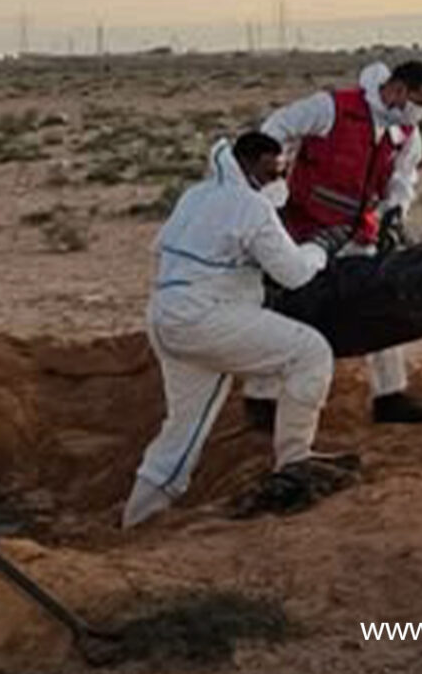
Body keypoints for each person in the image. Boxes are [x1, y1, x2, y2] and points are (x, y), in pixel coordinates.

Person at [122, 132, 347, 530]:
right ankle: (295, 462)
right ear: (253, 162)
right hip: (206, 318)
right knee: (310, 353)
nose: (279, 177)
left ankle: (135, 522)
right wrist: (320, 248)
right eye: (273, 169)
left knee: (183, 431)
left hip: (166, 314)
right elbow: (294, 274)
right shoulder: (252, 206)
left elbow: (179, 250)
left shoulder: (196, 195)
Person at [249, 59, 422, 425]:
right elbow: (277, 126)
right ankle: (262, 397)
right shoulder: (331, 108)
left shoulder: (406, 133)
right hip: (304, 228)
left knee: (379, 300)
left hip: (358, 232)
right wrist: (272, 184)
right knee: (285, 305)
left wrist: (396, 211)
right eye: (419, 101)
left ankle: (390, 394)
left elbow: (404, 177)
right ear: (397, 90)